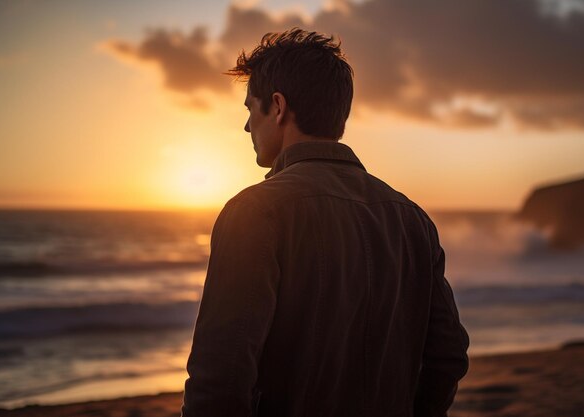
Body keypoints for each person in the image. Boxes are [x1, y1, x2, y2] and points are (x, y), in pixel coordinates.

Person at [181, 28, 469, 417]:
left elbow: (220, 378)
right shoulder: (411, 218)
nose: (247, 127)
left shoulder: (255, 212)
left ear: (278, 107)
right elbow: (447, 356)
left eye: (251, 109)